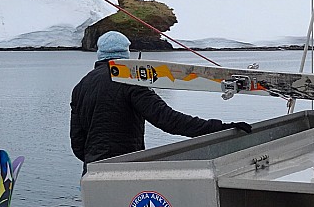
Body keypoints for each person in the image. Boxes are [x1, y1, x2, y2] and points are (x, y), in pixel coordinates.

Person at [70, 31, 252, 173]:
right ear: (126, 53)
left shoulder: (81, 86)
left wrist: (93, 159)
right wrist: (221, 128)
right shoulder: (130, 81)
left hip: (92, 172)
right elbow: (169, 121)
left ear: (100, 54)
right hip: (124, 169)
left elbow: (77, 143)